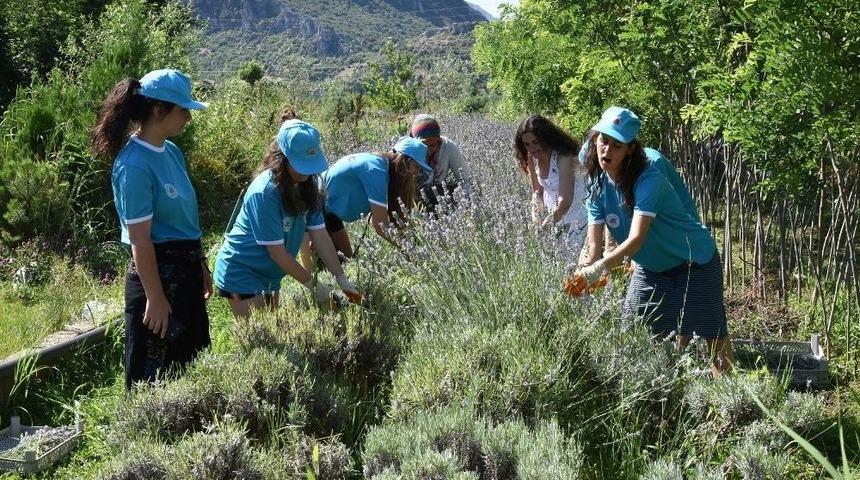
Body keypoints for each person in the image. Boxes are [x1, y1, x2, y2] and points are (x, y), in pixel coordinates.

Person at [574, 106, 735, 375]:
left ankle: (732, 401)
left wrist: (600, 268)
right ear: (594, 140)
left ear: (630, 149)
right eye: (603, 141)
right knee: (633, 333)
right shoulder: (597, 183)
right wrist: (582, 275)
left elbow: (636, 239)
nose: (607, 151)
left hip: (694, 262)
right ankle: (657, 399)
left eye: (617, 144)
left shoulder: (649, 178)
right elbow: (593, 245)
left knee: (713, 337)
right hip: (651, 269)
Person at [92, 69, 211, 389]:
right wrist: (156, 299)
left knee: (192, 370)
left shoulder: (172, 152)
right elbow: (140, 241)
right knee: (153, 380)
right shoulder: (133, 165)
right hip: (156, 280)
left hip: (185, 273)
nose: (187, 117)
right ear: (159, 111)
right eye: (182, 109)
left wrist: (200, 264)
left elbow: (185, 219)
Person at [213, 117, 360, 318]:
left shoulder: (307, 187)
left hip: (271, 274)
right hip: (242, 271)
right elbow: (277, 253)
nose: (307, 173)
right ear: (282, 158)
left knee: (274, 328)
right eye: (302, 165)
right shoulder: (265, 192)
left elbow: (320, 235)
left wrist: (340, 277)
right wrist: (315, 287)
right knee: (262, 339)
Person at [320, 137, 430, 258]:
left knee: (347, 259)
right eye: (417, 167)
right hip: (316, 204)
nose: (417, 172)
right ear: (405, 161)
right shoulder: (376, 172)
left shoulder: (382, 165)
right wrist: (411, 252)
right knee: (327, 264)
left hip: (332, 212)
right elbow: (380, 225)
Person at [514, 114, 588, 250]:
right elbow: (537, 191)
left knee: (571, 263)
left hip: (576, 217)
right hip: (554, 217)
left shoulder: (562, 158)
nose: (532, 149)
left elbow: (566, 201)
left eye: (536, 142)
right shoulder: (532, 158)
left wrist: (547, 224)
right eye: (527, 144)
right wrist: (536, 217)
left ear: (546, 138)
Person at [409, 114, 471, 209]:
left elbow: (465, 180)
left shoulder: (448, 147)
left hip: (439, 194)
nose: (430, 149)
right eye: (425, 144)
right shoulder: (407, 152)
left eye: (434, 144)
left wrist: (467, 206)